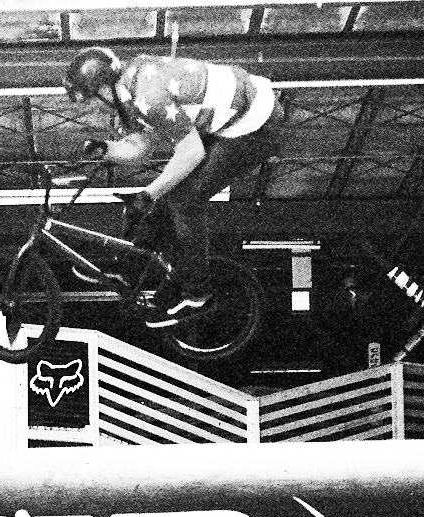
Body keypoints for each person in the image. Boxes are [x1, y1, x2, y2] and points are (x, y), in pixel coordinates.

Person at [63, 46, 284, 327]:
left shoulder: (149, 94)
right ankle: (130, 269)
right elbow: (140, 147)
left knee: (184, 199)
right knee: (166, 198)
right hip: (231, 121)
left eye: (93, 100)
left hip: (258, 123)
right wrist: (105, 149)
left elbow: (192, 153)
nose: (97, 107)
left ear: (105, 87)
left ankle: (197, 293)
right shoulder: (130, 89)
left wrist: (148, 194)